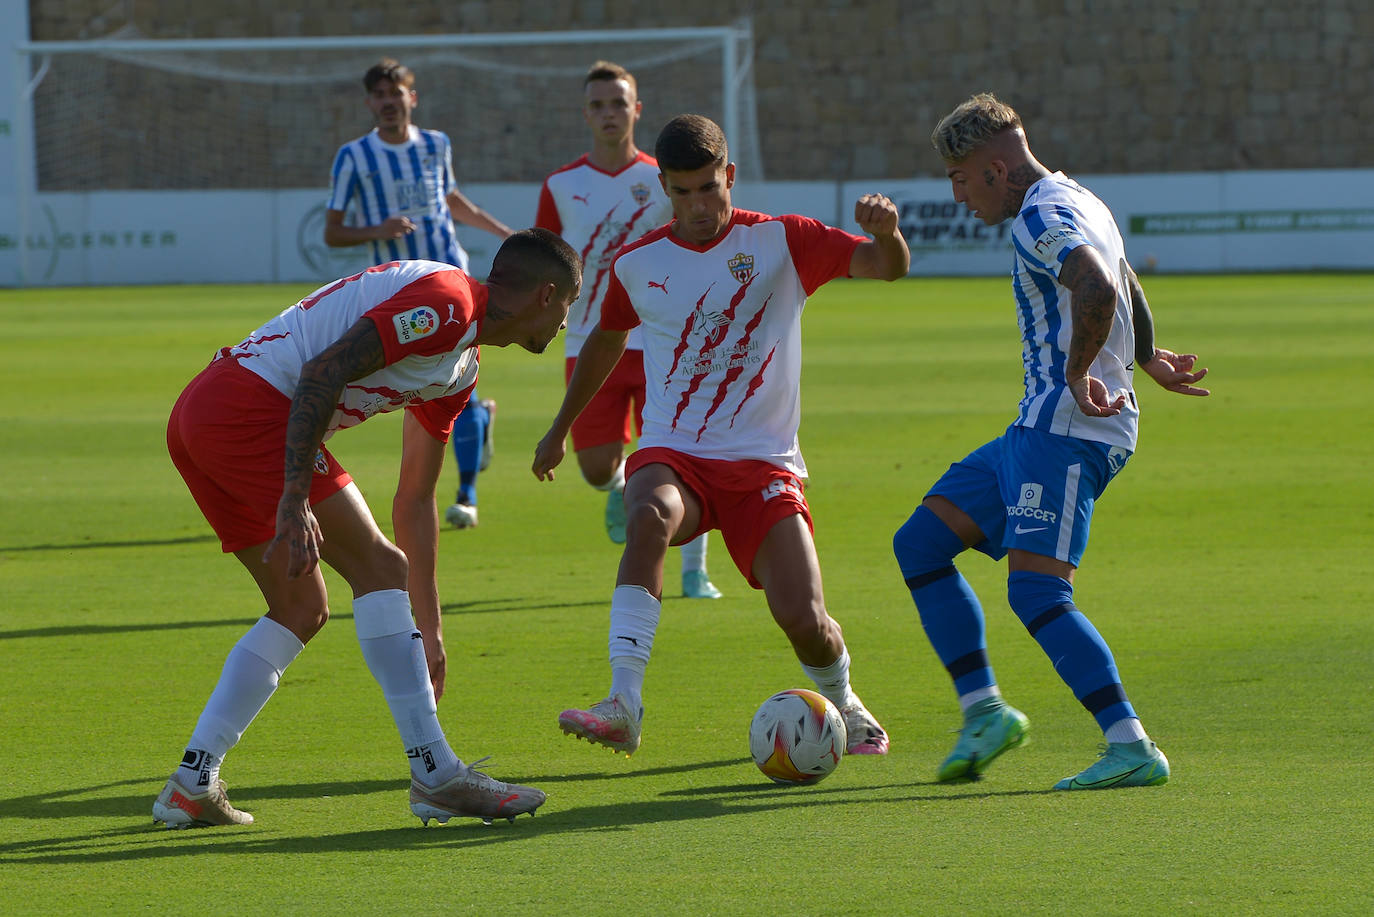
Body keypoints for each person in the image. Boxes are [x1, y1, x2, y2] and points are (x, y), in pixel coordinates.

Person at [154, 229, 581, 828]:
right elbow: (322, 371)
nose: (565, 324)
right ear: (547, 294)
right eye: (568, 308)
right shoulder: (447, 304)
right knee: (377, 568)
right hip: (246, 408)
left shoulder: (460, 369)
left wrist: (428, 629)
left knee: (300, 606)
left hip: (207, 414)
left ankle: (191, 783)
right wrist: (296, 494)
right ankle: (436, 774)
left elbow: (414, 499)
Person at [533, 114, 910, 757]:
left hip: (764, 466)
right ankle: (624, 701)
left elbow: (886, 267)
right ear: (664, 189)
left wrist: (890, 234)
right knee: (647, 512)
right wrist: (560, 426)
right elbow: (605, 336)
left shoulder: (784, 241)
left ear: (729, 176)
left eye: (708, 188)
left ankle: (843, 699)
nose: (697, 206)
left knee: (805, 620)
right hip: (673, 450)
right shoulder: (639, 262)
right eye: (681, 192)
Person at [892, 93, 1210, 790]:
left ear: (999, 168)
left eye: (961, 177)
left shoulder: (1038, 214)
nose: (957, 194)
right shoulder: (1079, 198)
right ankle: (984, 712)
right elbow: (1123, 274)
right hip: (1039, 425)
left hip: (1067, 427)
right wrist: (1147, 355)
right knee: (919, 542)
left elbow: (1096, 281)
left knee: (1037, 591)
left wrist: (1076, 370)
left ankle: (1130, 744)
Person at [535, 62, 723, 600]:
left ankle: (694, 573)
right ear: (585, 114)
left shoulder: (662, 178)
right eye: (598, 105)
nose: (609, 113)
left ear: (636, 110)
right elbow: (544, 261)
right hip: (592, 340)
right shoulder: (562, 184)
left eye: (618, 103)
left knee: (682, 454)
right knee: (596, 467)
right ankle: (617, 490)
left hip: (668, 341)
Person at [324, 57, 511, 530]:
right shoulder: (354, 157)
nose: (389, 103)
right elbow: (332, 232)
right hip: (399, 292)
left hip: (455, 284)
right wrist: (378, 229)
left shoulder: (435, 145)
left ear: (413, 97)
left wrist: (505, 233)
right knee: (423, 387)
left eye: (397, 93)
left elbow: (451, 199)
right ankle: (479, 423)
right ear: (370, 102)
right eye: (380, 96)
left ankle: (466, 495)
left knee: (453, 381)